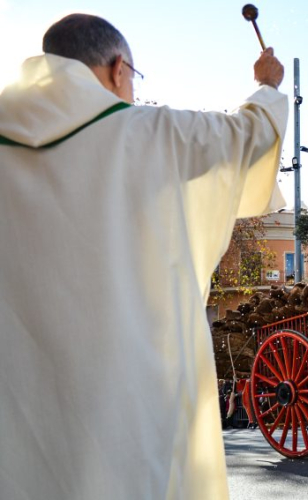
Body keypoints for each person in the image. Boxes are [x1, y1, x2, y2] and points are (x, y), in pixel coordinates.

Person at [0, 14, 287, 500]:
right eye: (133, 76)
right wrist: (267, 86)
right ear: (118, 69)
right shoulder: (153, 132)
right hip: (127, 400)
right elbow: (248, 135)